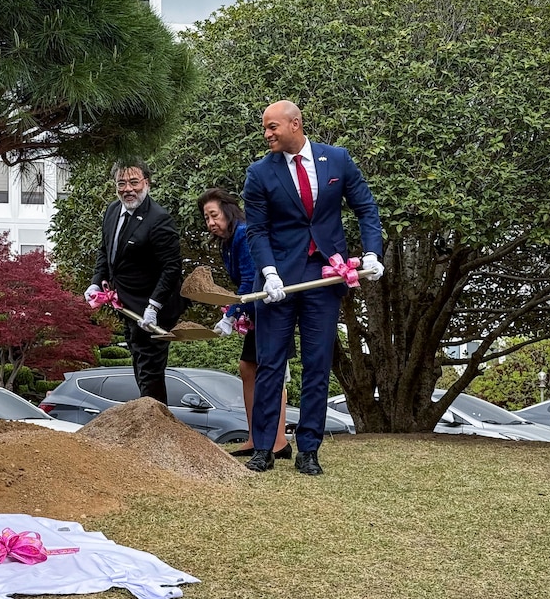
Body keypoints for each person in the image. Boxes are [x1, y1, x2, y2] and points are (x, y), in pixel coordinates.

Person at [241, 100, 384, 474]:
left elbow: (366, 208)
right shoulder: (259, 173)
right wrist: (269, 272)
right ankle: (264, 449)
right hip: (278, 280)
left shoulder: (336, 159)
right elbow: (255, 230)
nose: (267, 134)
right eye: (265, 129)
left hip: (324, 275)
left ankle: (309, 450)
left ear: (295, 124)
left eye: (273, 127)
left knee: (317, 364)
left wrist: (371, 253)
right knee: (270, 364)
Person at [197, 188, 292, 459]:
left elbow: (251, 279)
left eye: (213, 215)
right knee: (248, 368)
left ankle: (277, 439)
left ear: (228, 211)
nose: (211, 222)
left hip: (272, 308)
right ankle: (256, 436)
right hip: (256, 310)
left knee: (270, 370)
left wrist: (231, 314)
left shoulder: (243, 233)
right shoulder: (228, 242)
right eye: (206, 218)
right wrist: (232, 310)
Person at [85, 158, 186, 405]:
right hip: (126, 305)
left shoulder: (158, 219)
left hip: (153, 307)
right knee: (139, 362)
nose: (128, 189)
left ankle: (156, 423)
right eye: (121, 183)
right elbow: (105, 251)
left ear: (146, 183)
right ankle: (148, 417)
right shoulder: (111, 211)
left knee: (150, 367)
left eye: (133, 182)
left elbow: (172, 267)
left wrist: (154, 306)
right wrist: (97, 282)